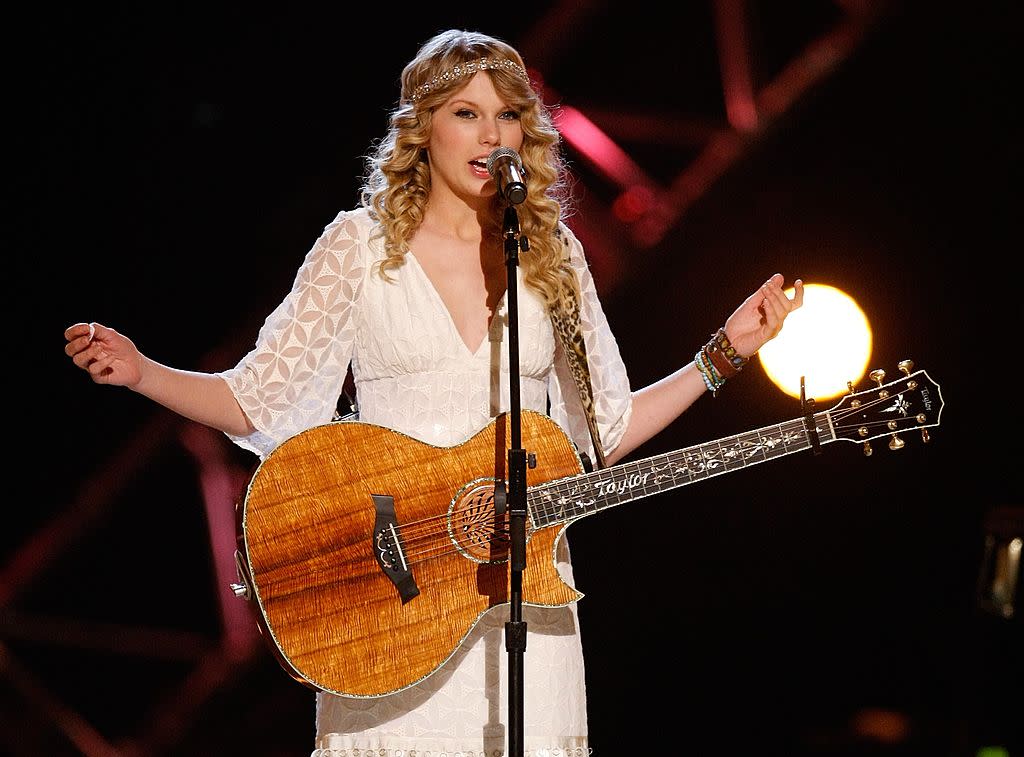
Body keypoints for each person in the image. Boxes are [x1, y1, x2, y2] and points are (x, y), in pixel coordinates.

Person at [64, 28, 803, 757]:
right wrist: (144, 371)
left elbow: (602, 430)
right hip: (389, 606)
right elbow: (260, 400)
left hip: (527, 607)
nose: (491, 133)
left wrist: (720, 357)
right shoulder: (358, 247)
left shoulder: (553, 256)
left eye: (508, 114)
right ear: (424, 130)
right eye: (466, 112)